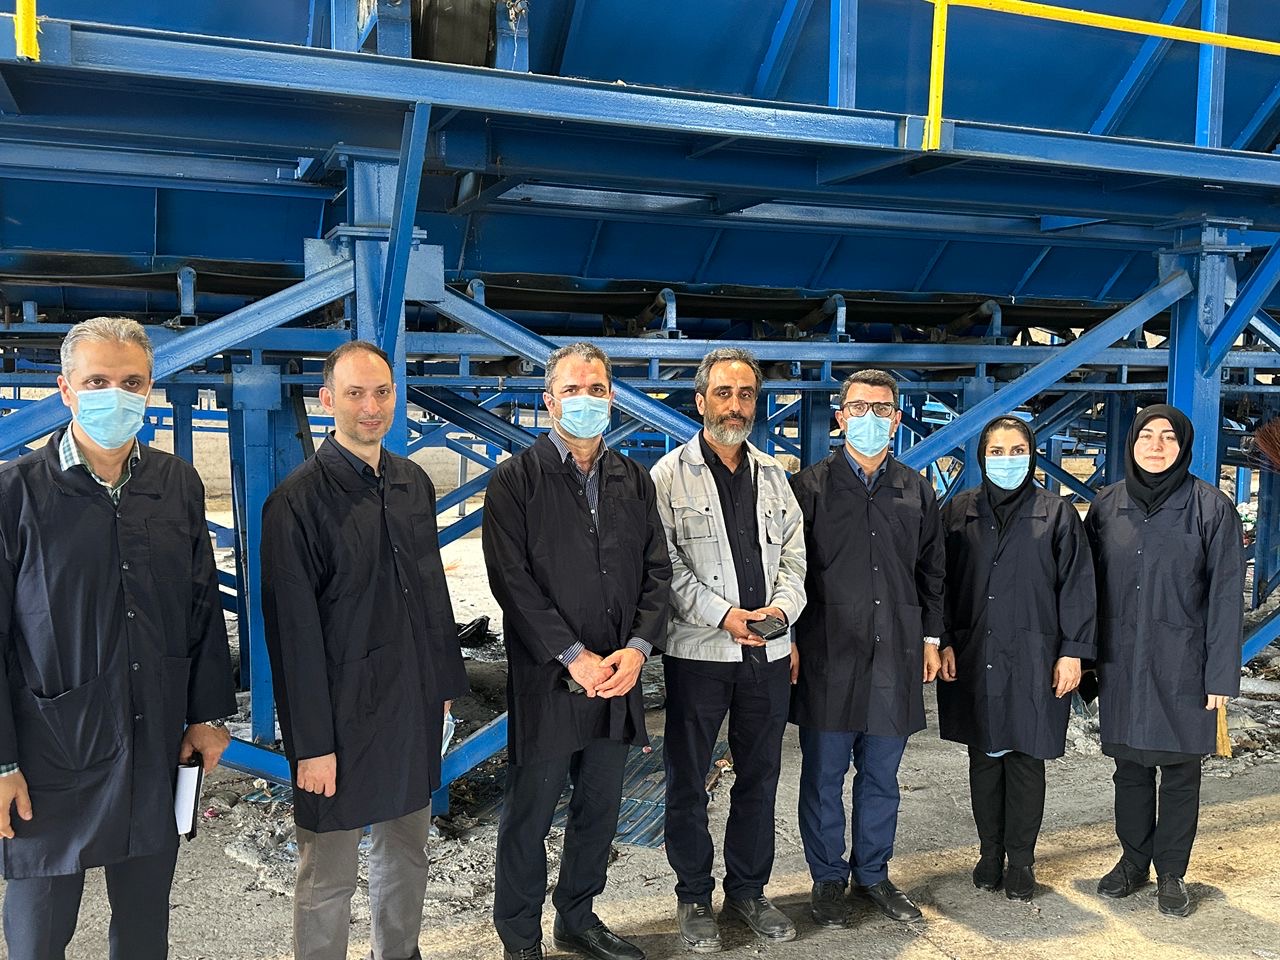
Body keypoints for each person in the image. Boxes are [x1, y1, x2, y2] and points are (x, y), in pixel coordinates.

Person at [0, 317, 235, 960]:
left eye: (131, 382)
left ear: (149, 387)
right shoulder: (16, 493)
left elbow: (200, 605)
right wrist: (2, 764)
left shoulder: (175, 483)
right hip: (51, 750)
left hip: (151, 737)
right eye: (97, 381)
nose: (115, 395)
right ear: (65, 389)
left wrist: (207, 715)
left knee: (143, 927)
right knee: (39, 933)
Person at [261, 340, 469, 960]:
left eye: (381, 392)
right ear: (328, 400)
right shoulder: (296, 501)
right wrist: (311, 746)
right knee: (329, 873)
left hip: (409, 707)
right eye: (355, 393)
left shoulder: (411, 483)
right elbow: (293, 637)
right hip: (339, 717)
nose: (371, 406)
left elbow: (432, 594)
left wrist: (443, 689)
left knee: (406, 852)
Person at [483, 342, 671, 960]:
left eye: (596, 390)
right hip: (550, 682)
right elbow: (511, 581)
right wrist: (572, 655)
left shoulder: (633, 480)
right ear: (549, 401)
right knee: (530, 814)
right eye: (571, 390)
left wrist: (637, 650)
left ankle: (578, 918)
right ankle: (520, 939)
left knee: (599, 808)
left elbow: (657, 571)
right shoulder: (516, 480)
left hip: (617, 678)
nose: (585, 400)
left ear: (612, 397)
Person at [650, 347, 806, 952]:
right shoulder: (668, 476)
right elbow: (665, 566)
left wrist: (781, 612)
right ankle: (693, 894)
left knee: (760, 778)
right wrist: (724, 616)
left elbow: (794, 556)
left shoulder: (774, 476)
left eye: (745, 395)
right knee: (688, 778)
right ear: (700, 401)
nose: (735, 405)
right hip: (699, 656)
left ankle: (748, 891)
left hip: (766, 655)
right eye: (723, 393)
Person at [789, 368, 944, 928]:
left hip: (895, 656)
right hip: (828, 653)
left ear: (897, 419)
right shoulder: (808, 488)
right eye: (859, 408)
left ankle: (873, 875)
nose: (870, 418)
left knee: (881, 777)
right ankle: (828, 878)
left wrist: (932, 638)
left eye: (881, 409)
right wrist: (789, 639)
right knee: (823, 777)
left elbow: (933, 572)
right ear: (840, 416)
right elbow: (789, 572)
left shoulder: (916, 489)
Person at [1084, 404, 1244, 918]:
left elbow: (1225, 598)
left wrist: (1220, 675)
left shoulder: (1210, 508)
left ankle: (1171, 872)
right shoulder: (1106, 505)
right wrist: (1084, 660)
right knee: (1129, 767)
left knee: (1179, 771)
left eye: (1168, 437)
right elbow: (1085, 589)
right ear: (1131, 443)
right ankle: (1133, 863)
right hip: (1122, 661)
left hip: (1184, 663)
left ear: (1183, 446)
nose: (1156, 446)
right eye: (1146, 436)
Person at [936, 415, 1095, 901]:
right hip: (974, 650)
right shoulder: (958, 511)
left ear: (1032, 455)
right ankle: (990, 853)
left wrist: (1073, 652)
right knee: (984, 756)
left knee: (1026, 757)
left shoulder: (1056, 513)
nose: (1007, 460)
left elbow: (1077, 587)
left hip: (1035, 654)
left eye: (1017, 451)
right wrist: (942, 640)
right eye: (997, 452)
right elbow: (939, 582)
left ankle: (1021, 860)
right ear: (982, 458)